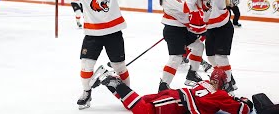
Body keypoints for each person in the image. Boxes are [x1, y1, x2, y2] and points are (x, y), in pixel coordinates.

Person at [51, 0, 130, 110]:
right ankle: (86, 92)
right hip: (93, 35)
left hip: (114, 33)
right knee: (86, 65)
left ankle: (128, 94)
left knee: (119, 66)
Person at [90, 66, 253, 114]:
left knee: (137, 102)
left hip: (173, 94)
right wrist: (245, 102)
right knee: (144, 111)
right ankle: (114, 81)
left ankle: (110, 83)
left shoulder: (204, 82)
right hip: (175, 103)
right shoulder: (220, 94)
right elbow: (241, 110)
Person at [157, 0, 207, 91]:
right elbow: (186, 8)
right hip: (173, 31)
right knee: (175, 58)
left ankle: (192, 74)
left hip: (181, 30)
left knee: (199, 46)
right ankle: (163, 85)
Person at [195, 0, 237, 94]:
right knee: (211, 58)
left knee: (220, 57)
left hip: (223, 27)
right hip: (211, 28)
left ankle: (228, 83)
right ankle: (227, 76)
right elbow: (191, 6)